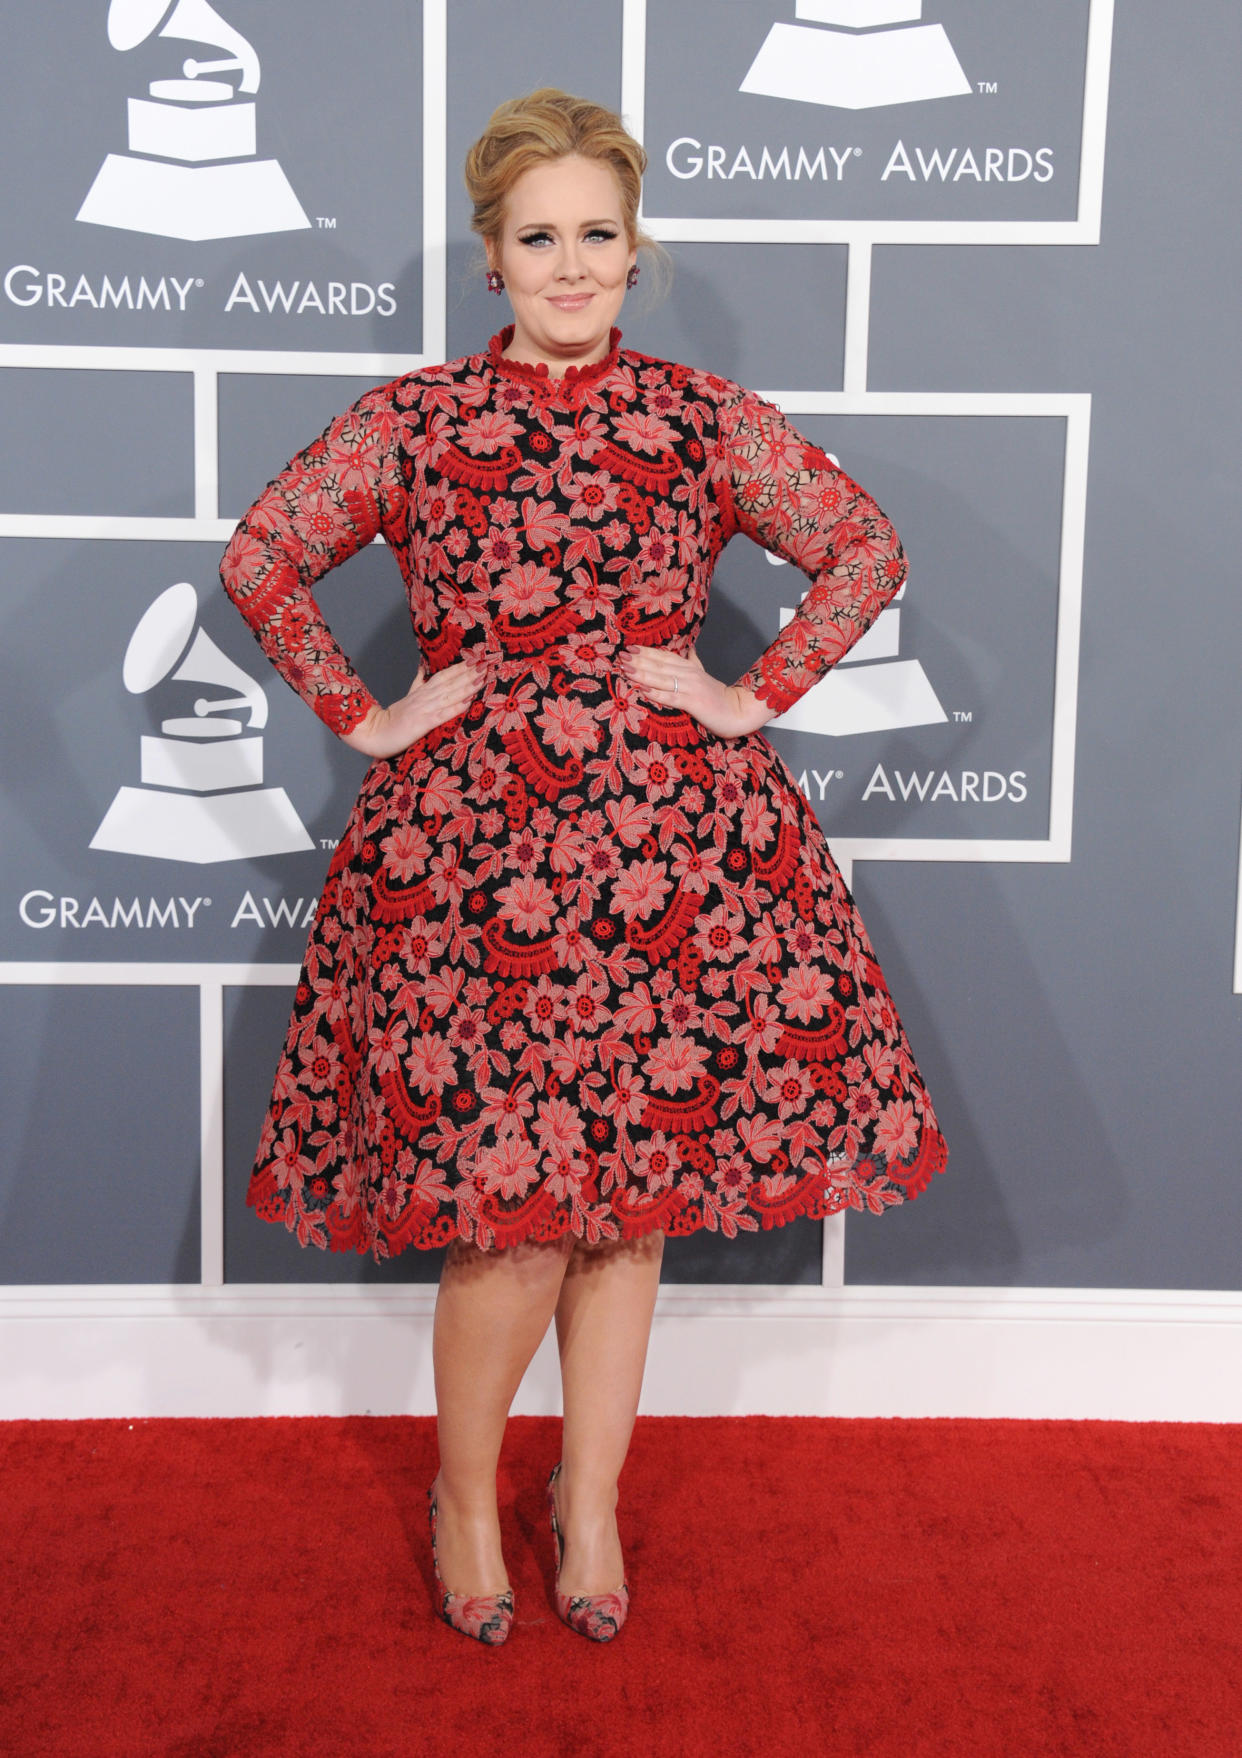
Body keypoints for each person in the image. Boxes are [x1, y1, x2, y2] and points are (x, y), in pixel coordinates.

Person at [220, 88, 947, 1647]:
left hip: (676, 849)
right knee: (513, 1212)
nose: (569, 266)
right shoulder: (414, 423)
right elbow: (261, 554)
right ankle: (467, 1493)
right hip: (471, 864)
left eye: (596, 238)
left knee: (631, 1203)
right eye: (537, 238)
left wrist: (753, 694)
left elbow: (861, 543)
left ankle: (591, 1498)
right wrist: (364, 712)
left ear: (635, 252)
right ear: (491, 258)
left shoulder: (696, 417)